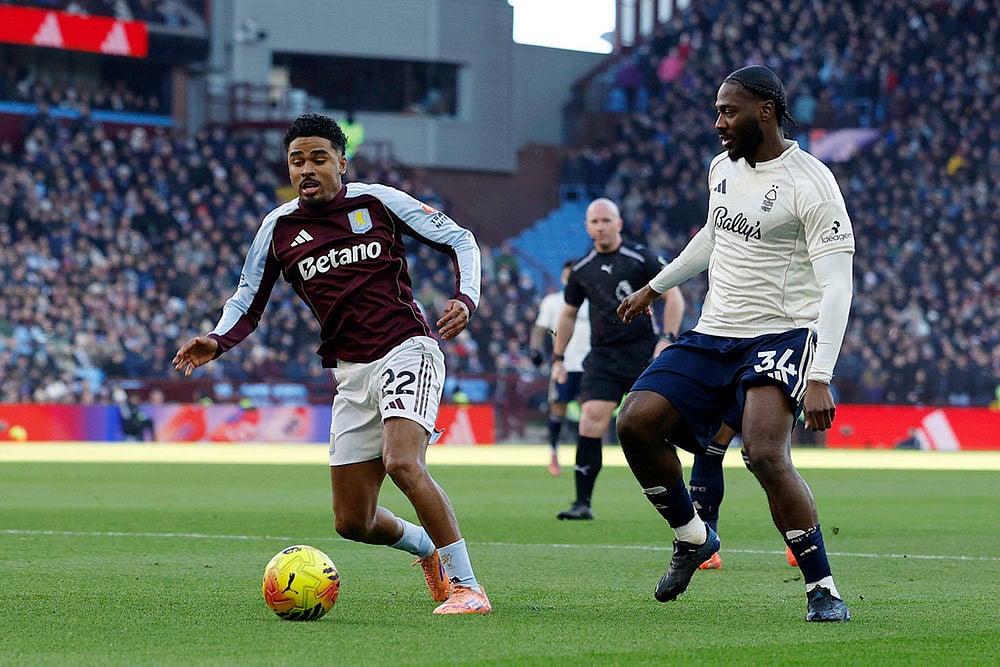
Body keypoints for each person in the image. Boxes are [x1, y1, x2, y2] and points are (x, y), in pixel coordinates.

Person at [172, 113, 491, 615]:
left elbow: (460, 239)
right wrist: (218, 340)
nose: (307, 168)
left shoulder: (376, 200)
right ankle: (426, 548)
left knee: (403, 463)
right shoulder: (278, 228)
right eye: (297, 160)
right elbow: (246, 299)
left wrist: (466, 298)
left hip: (407, 348)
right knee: (352, 521)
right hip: (350, 372)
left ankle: (468, 586)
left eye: (319, 157)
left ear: (341, 162)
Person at [615, 66, 853, 622]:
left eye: (729, 111)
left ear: (765, 110)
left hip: (780, 332)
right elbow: (712, 238)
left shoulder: (811, 183)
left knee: (766, 453)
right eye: (718, 111)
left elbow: (837, 285)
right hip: (713, 330)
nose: (719, 122)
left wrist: (820, 373)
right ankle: (693, 536)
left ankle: (823, 589)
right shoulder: (721, 167)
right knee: (635, 421)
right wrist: (656, 286)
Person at [551, 198, 685, 520]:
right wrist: (558, 356)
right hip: (603, 357)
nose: (601, 227)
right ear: (587, 227)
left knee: (656, 427)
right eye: (595, 222)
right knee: (590, 418)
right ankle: (582, 503)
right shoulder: (581, 269)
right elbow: (568, 315)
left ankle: (679, 500)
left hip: (643, 351)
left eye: (606, 221)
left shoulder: (641, 257)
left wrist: (666, 339)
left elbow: (674, 297)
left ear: (619, 224)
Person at [529, 260, 591, 476]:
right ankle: (554, 454)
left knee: (591, 413)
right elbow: (540, 329)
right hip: (563, 365)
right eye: (567, 274)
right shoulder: (553, 302)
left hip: (591, 365)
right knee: (558, 410)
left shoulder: (593, 301)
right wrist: (535, 350)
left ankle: (585, 458)